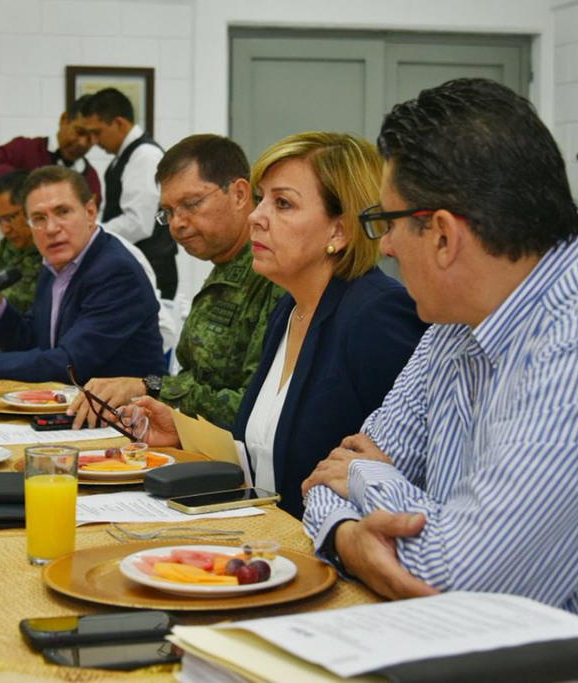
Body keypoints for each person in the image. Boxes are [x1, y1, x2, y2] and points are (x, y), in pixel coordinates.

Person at [303, 79, 578, 657]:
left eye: (388, 222)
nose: (385, 247)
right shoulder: (452, 322)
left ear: (442, 235)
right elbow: (324, 482)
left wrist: (366, 484)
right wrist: (345, 535)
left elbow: (462, 583)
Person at [118, 132, 426, 520]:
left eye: (282, 204)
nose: (255, 217)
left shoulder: (376, 315)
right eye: (262, 199)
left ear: (340, 230)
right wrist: (182, 432)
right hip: (270, 539)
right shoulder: (289, 310)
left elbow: (403, 473)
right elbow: (267, 454)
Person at [68, 134, 284, 428]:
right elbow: (192, 379)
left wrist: (149, 389)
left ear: (239, 194)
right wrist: (146, 390)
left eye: (191, 204)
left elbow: (257, 407)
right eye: (168, 212)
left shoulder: (273, 273)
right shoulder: (223, 267)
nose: (177, 224)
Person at [0, 166, 165, 384]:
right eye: (39, 218)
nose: (51, 229)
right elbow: (34, 341)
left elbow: (70, 362)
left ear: (90, 212)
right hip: (67, 402)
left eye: (63, 212)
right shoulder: (55, 264)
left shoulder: (115, 271)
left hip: (124, 414)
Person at [79, 88, 178, 299]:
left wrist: (90, 233)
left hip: (151, 270)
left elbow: (138, 223)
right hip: (137, 266)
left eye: (97, 132)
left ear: (119, 123)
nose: (93, 140)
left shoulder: (144, 156)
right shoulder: (123, 158)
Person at [0, 95, 101, 203]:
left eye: (91, 138)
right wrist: (18, 179)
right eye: (79, 132)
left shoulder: (91, 178)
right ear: (64, 119)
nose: (82, 143)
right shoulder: (24, 149)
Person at [0, 170, 42, 312]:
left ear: (29, 210)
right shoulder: (8, 244)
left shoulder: (52, 248)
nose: (5, 229)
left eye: (9, 218)